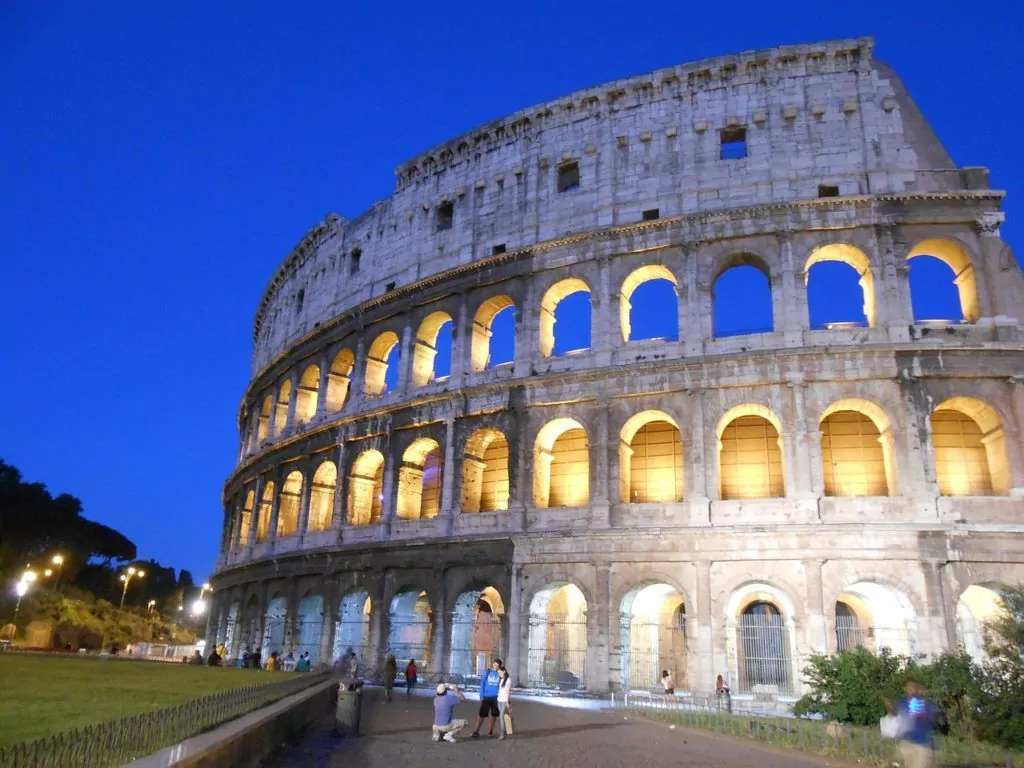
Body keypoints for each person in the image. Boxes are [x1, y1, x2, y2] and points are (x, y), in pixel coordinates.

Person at [886, 680, 936, 768]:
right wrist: (891, 708)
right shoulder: (902, 702)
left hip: (922, 745)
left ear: (917, 689)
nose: (910, 689)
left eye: (913, 687)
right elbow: (898, 714)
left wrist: (921, 715)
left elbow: (933, 719)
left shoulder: (924, 703)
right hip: (906, 742)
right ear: (904, 689)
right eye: (908, 687)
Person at [471, 658, 502, 738]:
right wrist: (481, 695)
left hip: (496, 697)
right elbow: (482, 684)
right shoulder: (487, 672)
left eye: (497, 666)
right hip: (486, 697)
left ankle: (490, 731)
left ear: (499, 667)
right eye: (495, 665)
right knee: (481, 715)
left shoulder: (500, 674)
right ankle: (476, 731)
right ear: (493, 664)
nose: (496, 667)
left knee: (493, 715)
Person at [496, 666, 513, 740]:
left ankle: (503, 734)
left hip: (504, 701)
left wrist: (507, 702)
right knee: (504, 716)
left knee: (502, 717)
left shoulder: (508, 680)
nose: (499, 674)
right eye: (498, 673)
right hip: (499, 700)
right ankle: (508, 730)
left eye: (500, 672)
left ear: (504, 671)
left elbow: (508, 692)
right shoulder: (502, 679)